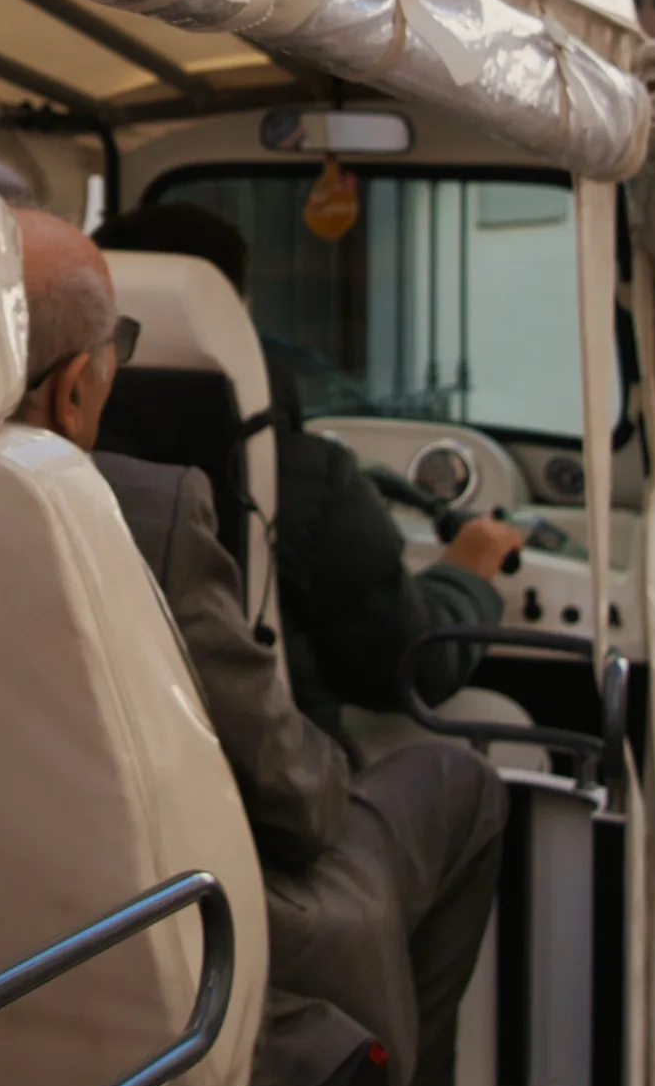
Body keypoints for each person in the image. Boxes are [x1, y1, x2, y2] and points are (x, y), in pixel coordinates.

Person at [14, 207, 506, 1086]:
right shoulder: (153, 513)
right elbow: (294, 794)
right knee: (457, 779)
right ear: (78, 384)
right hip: (188, 912)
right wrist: (336, 771)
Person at [96, 202, 519, 738]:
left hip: (101, 757)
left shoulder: (54, 456)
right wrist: (465, 574)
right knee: (480, 754)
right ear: (235, 310)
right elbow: (410, 669)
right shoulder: (301, 476)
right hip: (275, 787)